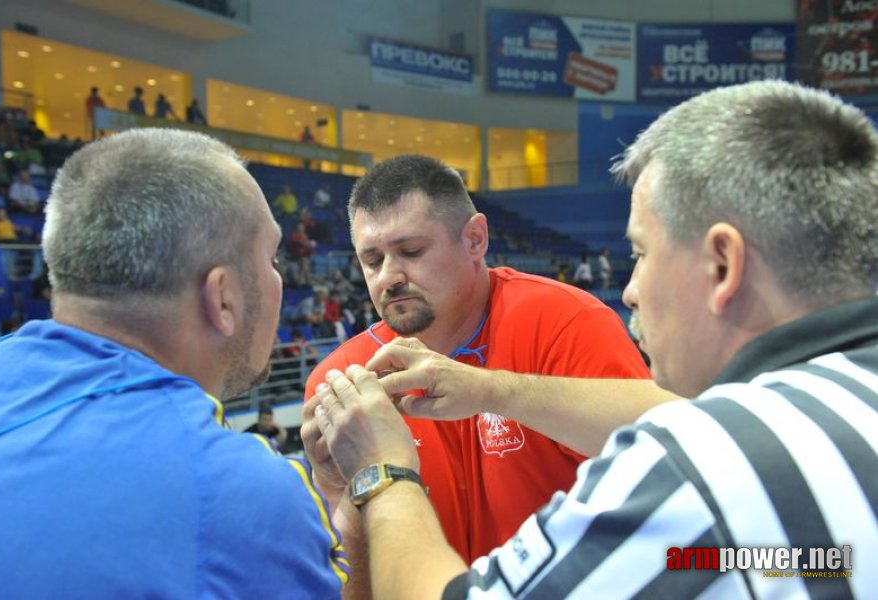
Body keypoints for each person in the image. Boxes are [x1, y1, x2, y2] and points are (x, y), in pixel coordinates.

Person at [310, 80, 878, 598]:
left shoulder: (698, 463)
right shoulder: (827, 417)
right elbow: (813, 561)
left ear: (723, 264)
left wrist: (380, 472)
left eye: (640, 254)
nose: (629, 289)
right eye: (371, 259)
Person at [0, 128, 347, 598]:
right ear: (224, 298)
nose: (278, 277)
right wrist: (376, 482)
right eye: (272, 258)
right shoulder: (237, 492)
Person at [303, 154, 655, 564]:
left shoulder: (567, 321)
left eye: (411, 251)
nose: (388, 277)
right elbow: (342, 574)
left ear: (475, 239)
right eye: (373, 261)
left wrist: (494, 390)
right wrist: (332, 488)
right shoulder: (341, 379)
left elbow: (654, 451)